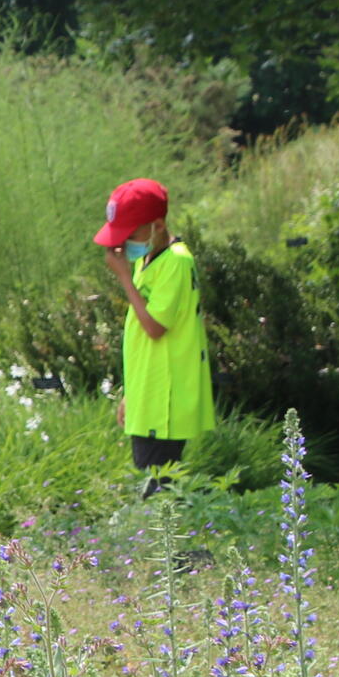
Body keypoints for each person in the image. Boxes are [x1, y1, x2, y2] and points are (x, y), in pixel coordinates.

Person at [95, 178, 217, 495]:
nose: (123, 245)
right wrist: (130, 393)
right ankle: (163, 542)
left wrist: (124, 278)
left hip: (166, 395)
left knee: (159, 487)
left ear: (158, 225)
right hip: (148, 389)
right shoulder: (147, 259)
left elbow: (154, 327)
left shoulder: (176, 261)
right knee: (152, 480)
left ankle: (171, 544)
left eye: (129, 234)